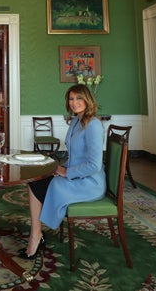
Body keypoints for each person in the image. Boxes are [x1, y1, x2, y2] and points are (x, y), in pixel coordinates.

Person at [19, 83, 106, 259]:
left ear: (87, 99)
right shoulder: (76, 121)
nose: (75, 103)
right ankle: (37, 234)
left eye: (79, 98)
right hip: (77, 175)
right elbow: (75, 157)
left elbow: (94, 165)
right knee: (36, 181)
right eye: (71, 99)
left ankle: (36, 237)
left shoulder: (94, 125)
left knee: (48, 184)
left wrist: (66, 173)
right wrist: (59, 168)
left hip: (90, 183)